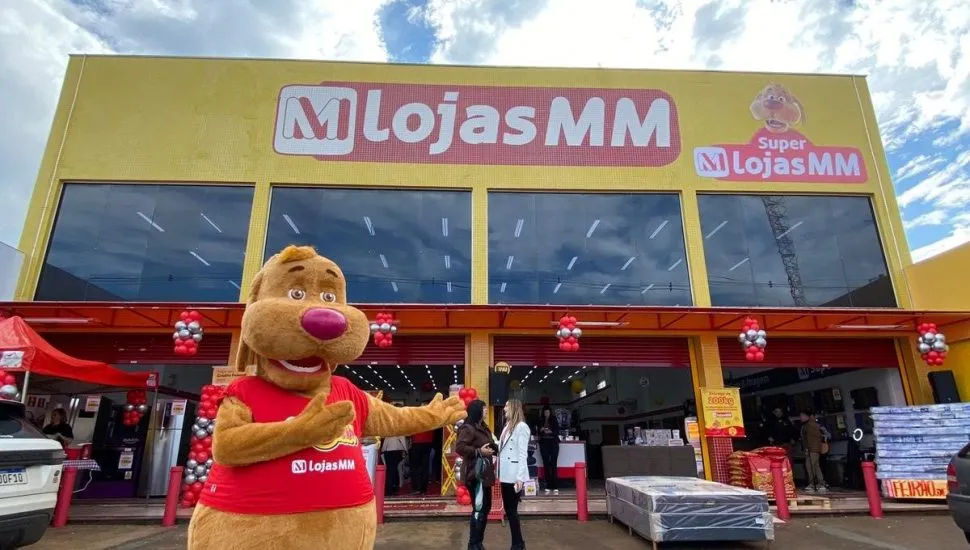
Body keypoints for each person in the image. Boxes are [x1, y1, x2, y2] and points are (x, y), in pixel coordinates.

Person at [456, 400, 497, 550]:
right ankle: (473, 544)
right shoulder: (468, 428)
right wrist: (479, 451)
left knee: (485, 508)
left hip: (484, 474)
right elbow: (459, 447)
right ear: (476, 411)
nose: (486, 411)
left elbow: (488, 444)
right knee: (480, 508)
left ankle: (478, 542)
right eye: (483, 409)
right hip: (475, 475)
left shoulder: (483, 427)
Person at [498, 399, 530, 550]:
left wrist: (520, 478)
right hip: (505, 474)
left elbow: (523, 454)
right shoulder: (507, 426)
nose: (504, 409)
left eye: (506, 406)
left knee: (512, 511)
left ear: (513, 408)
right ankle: (518, 542)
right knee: (509, 510)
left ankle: (517, 544)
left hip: (514, 476)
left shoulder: (521, 427)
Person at [799, 409, 828, 494]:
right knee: (815, 466)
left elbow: (814, 438)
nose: (801, 417)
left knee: (810, 466)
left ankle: (813, 484)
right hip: (813, 449)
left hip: (812, 449)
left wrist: (808, 448)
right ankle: (820, 483)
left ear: (808, 416)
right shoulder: (808, 425)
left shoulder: (810, 425)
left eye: (802, 416)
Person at [536, 405, 560, 495]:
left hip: (553, 443)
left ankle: (555, 486)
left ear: (550, 412)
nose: (546, 414)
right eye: (545, 412)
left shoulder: (554, 419)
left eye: (548, 412)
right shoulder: (540, 420)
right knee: (546, 464)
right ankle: (548, 486)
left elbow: (557, 431)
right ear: (543, 413)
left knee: (554, 464)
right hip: (544, 443)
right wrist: (541, 430)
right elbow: (537, 431)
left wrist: (551, 431)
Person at [410, 426, 435, 495]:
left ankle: (417, 488)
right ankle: (423, 488)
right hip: (428, 441)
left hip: (417, 441)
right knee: (425, 466)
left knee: (415, 467)